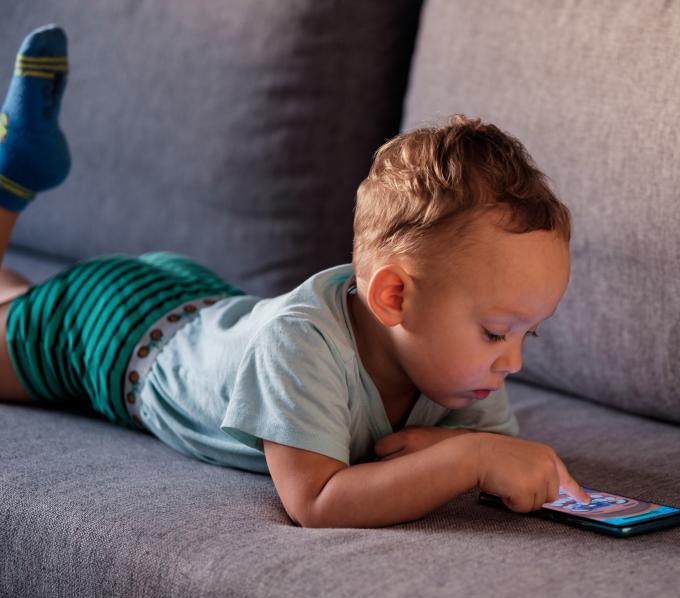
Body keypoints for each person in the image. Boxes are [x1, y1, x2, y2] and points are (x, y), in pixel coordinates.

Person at [0, 25, 591, 529]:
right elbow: (316, 500)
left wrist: (472, 447)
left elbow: (495, 453)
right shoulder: (303, 343)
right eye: (496, 333)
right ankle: (14, 174)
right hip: (119, 328)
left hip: (202, 300)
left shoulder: (463, 370)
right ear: (394, 296)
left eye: (526, 334)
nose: (512, 361)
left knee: (15, 300)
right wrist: (469, 458)